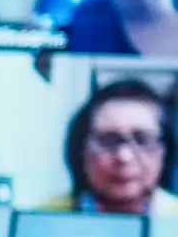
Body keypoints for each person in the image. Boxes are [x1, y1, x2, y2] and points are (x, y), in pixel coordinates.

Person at [47, 79, 178, 216]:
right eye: (108, 141)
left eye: (141, 140)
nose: (124, 156)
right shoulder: (44, 218)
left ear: (165, 151)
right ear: (80, 149)